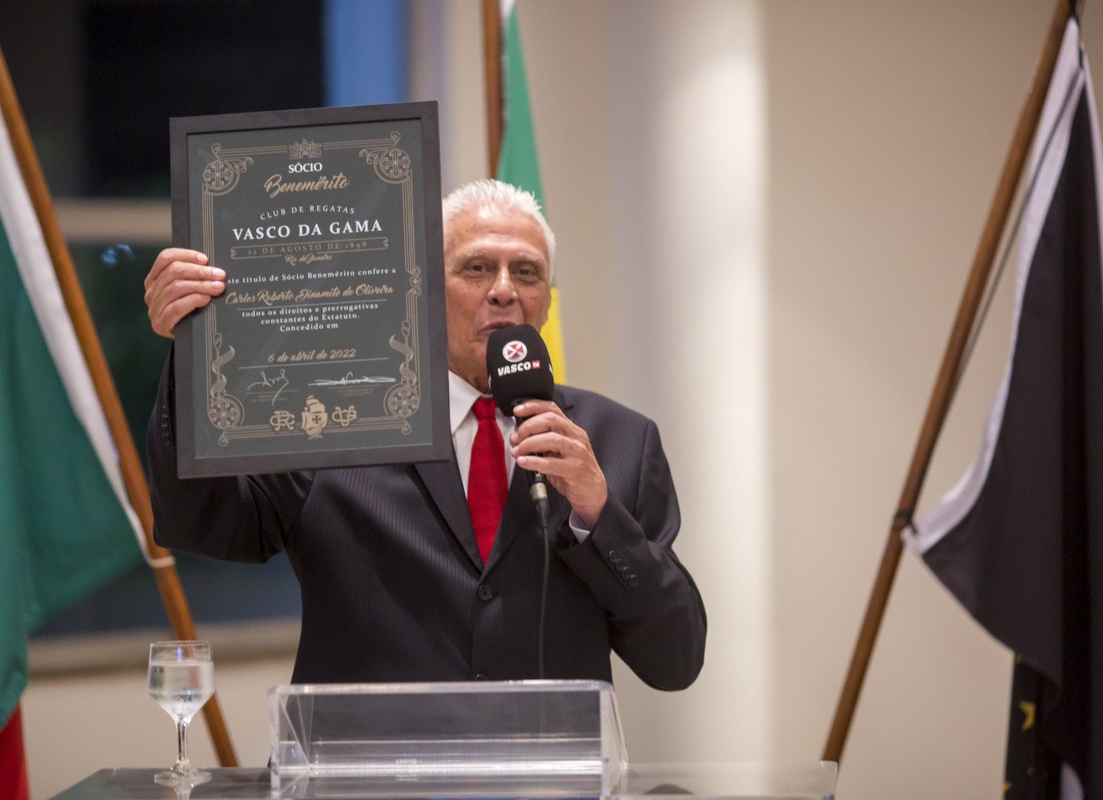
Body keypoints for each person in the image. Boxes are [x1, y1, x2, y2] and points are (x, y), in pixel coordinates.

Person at [143, 179, 705, 689]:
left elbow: (674, 660)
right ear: (422, 292)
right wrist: (189, 355)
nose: (504, 290)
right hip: (366, 776)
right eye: (476, 268)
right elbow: (200, 524)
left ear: (547, 299)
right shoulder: (329, 417)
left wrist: (599, 518)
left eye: (527, 272)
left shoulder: (619, 441)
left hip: (545, 777)